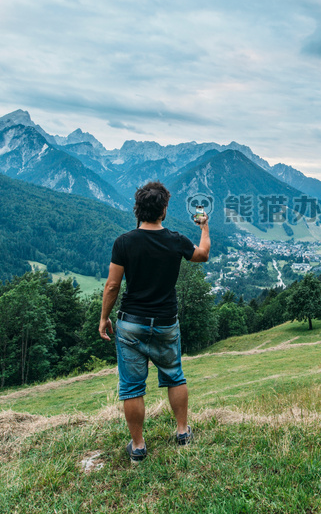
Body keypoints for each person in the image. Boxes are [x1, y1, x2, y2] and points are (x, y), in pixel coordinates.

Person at [99, 181, 210, 463]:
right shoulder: (176, 240)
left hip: (131, 323)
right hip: (165, 321)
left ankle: (138, 447)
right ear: (163, 210)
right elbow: (202, 254)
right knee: (174, 376)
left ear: (138, 209)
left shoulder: (123, 242)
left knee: (132, 387)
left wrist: (103, 318)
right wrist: (204, 227)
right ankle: (183, 432)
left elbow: (112, 286)